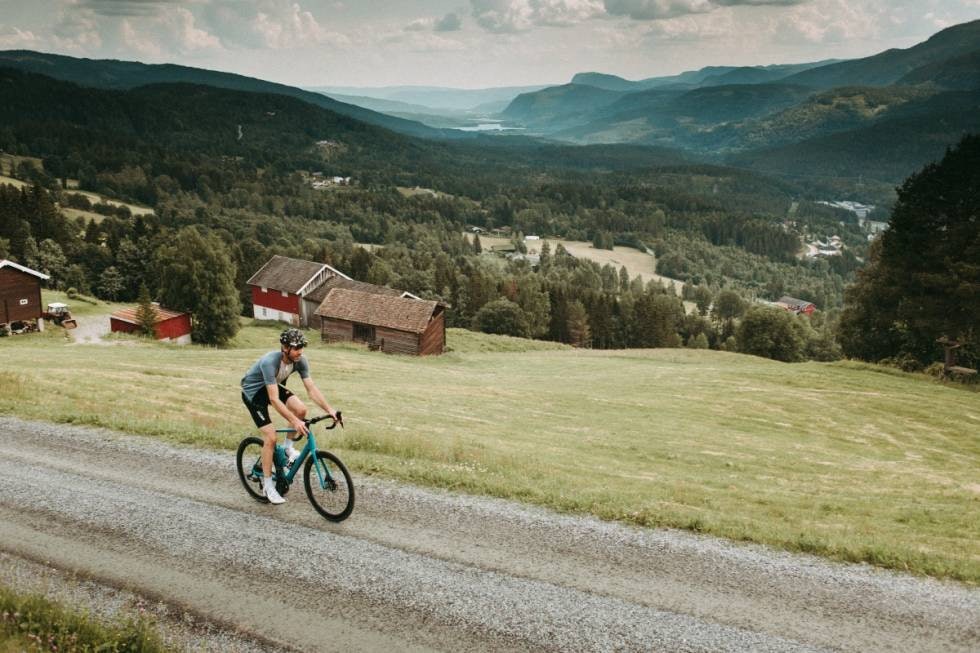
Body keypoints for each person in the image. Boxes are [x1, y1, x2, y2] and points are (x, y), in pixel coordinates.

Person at [241, 328, 338, 504]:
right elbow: (274, 399)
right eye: (296, 347)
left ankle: (287, 449)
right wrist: (294, 422)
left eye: (302, 346)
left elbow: (311, 389)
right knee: (270, 437)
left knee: (301, 410)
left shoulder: (300, 360)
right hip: (254, 394)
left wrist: (329, 410)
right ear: (285, 348)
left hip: (272, 387)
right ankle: (268, 486)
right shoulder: (270, 362)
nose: (300, 351)